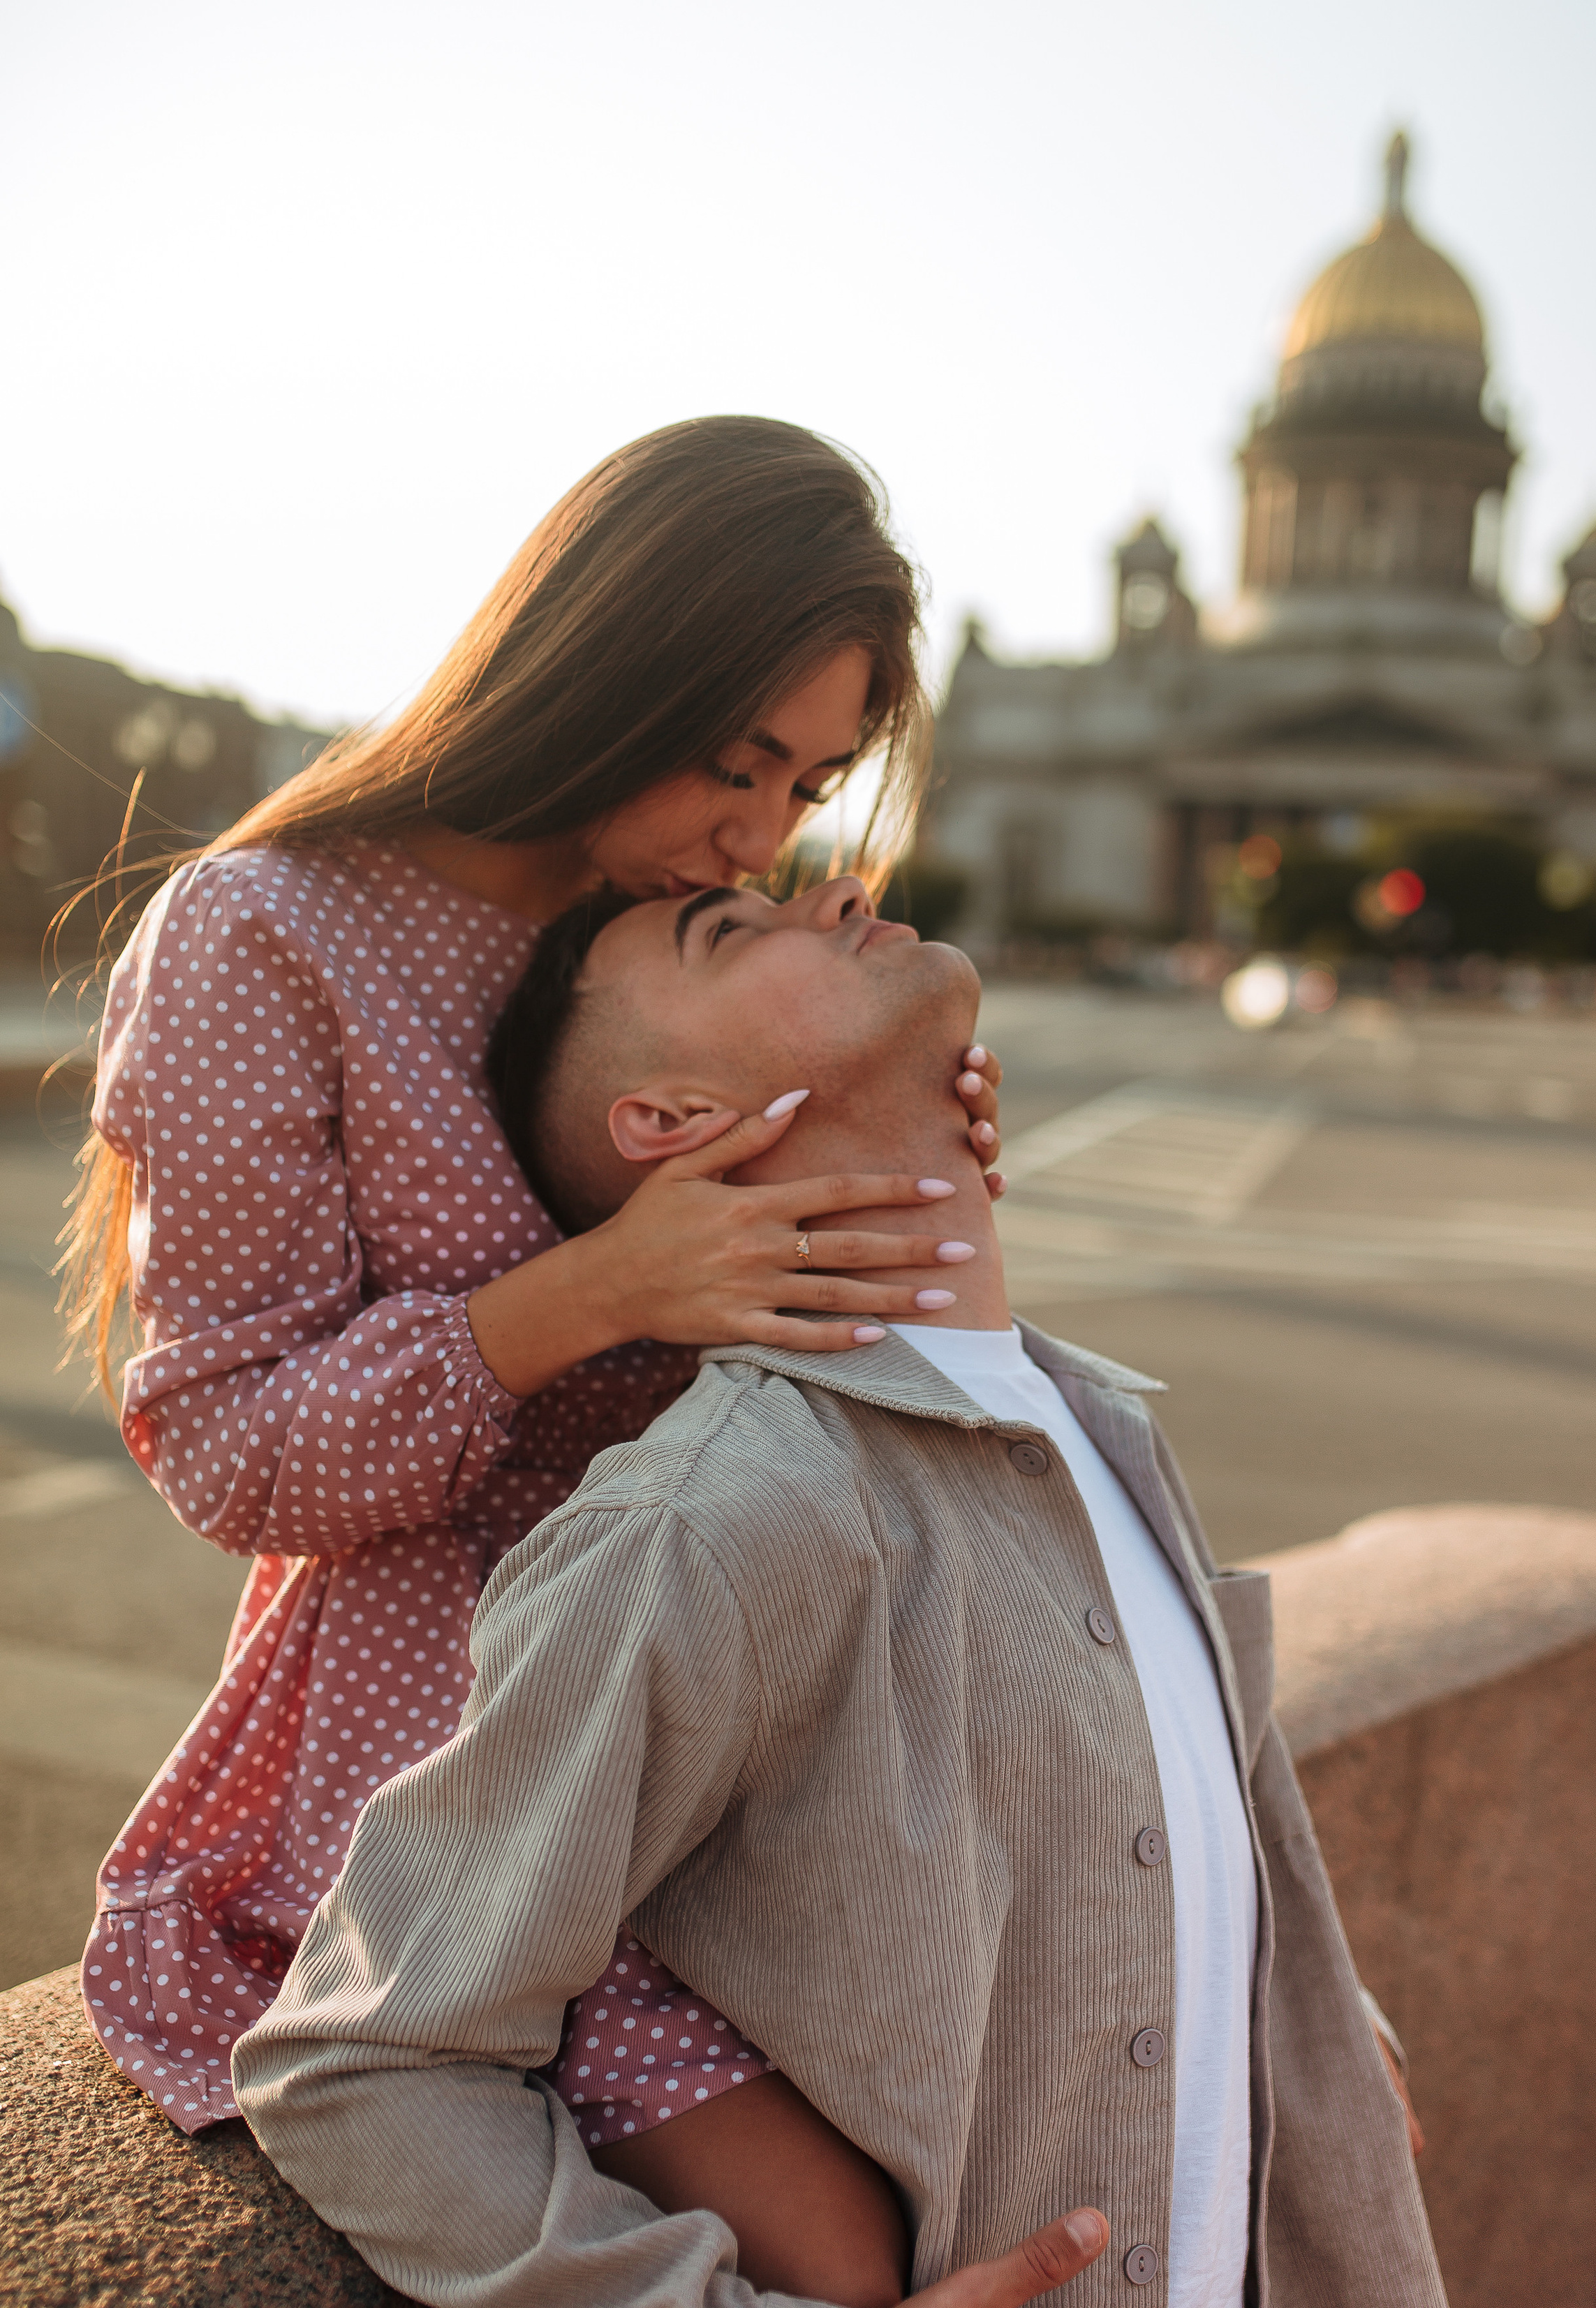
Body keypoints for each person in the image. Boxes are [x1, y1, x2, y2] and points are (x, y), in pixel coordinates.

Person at [235, 868, 1492, 2308]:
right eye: (730, 935)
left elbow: (1149, 1821)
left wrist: (1301, 2006)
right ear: (673, 1125)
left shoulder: (1084, 1413)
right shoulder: (721, 1516)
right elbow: (364, 2058)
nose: (832, 883)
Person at [60, 416, 1004, 2140]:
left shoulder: (670, 930)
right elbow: (227, 1454)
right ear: (608, 665)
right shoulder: (264, 931)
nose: (759, 835)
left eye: (803, 785)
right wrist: (608, 1287)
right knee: (836, 2248)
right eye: (737, 761)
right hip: (465, 1751)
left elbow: (839, 1350)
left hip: (760, 1699)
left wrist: (898, 1159)